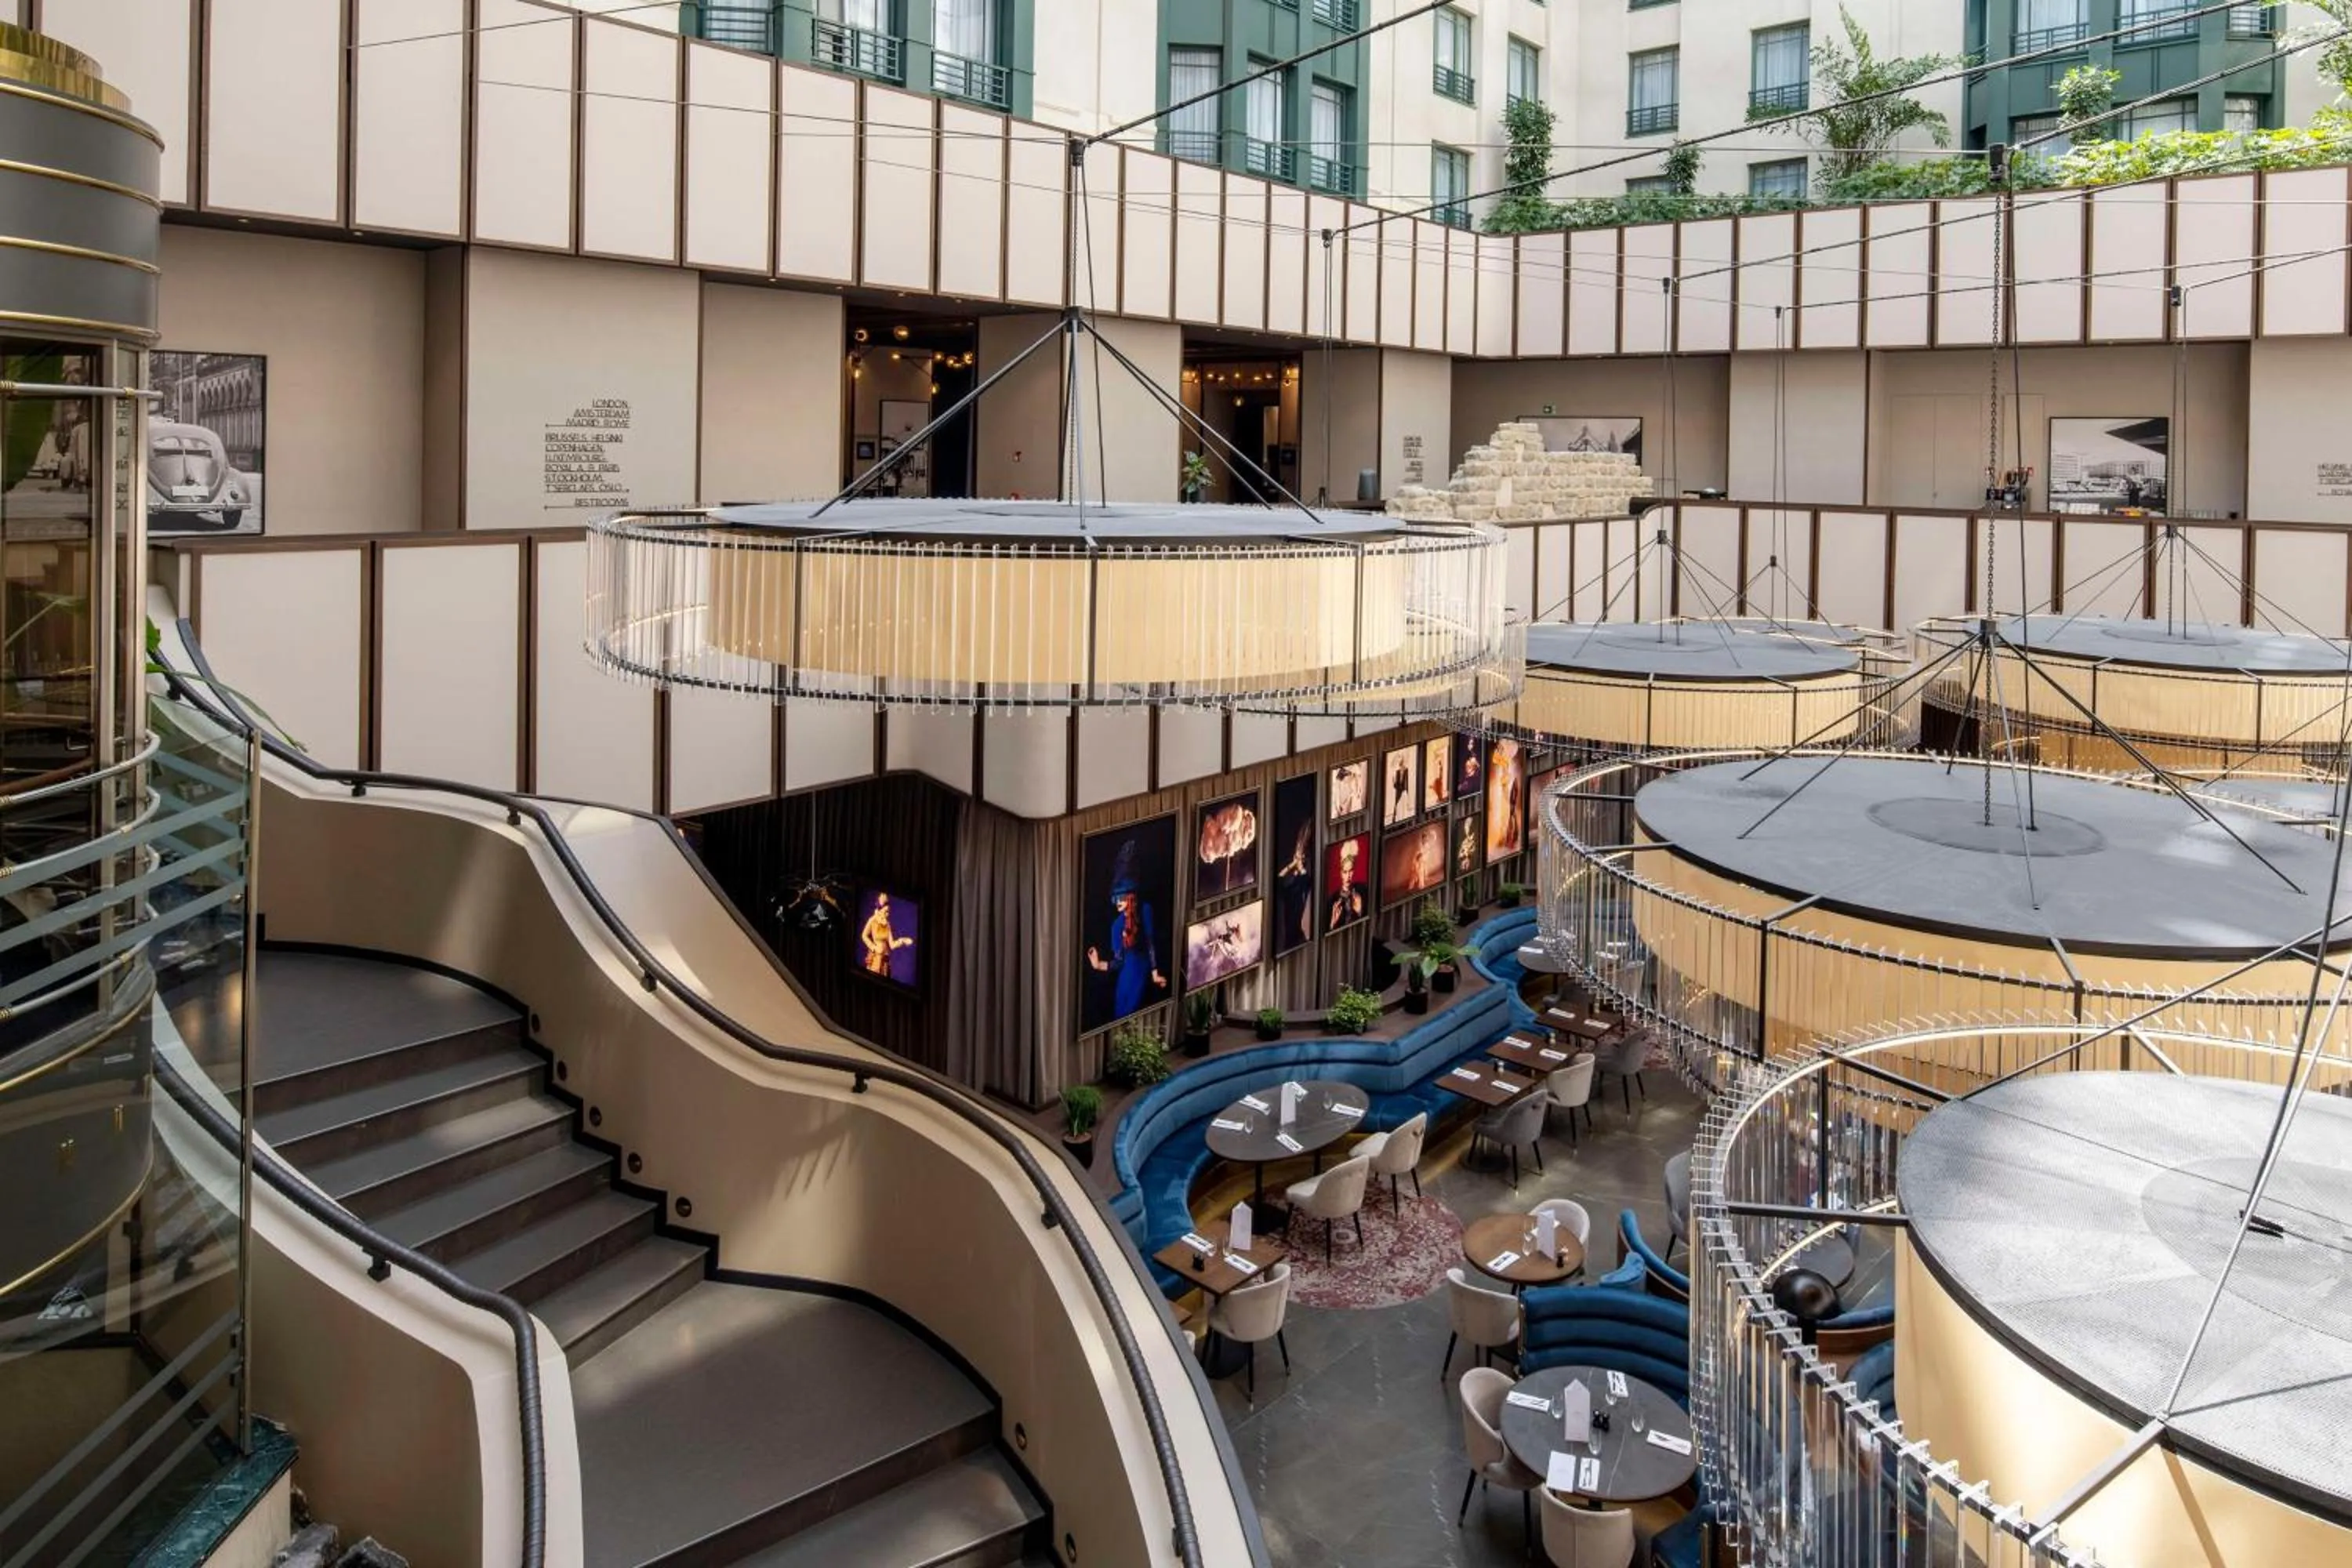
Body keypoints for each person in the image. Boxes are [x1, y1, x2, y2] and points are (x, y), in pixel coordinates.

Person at [1086, 840, 1166, 1023]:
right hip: (1127, 977)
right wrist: (1098, 965)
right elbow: (1118, 962)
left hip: (1142, 972)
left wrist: (1155, 974)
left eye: (1120, 897)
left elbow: (1150, 942)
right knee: (1122, 1011)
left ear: (1130, 896)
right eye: (1115, 898)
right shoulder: (1116, 926)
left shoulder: (1145, 910)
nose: (1117, 902)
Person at [1275, 820, 1315, 951]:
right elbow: (1279, 878)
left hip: (1298, 934)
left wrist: (1299, 865)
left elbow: (1306, 881)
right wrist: (1291, 865)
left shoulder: (1303, 883)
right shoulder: (1291, 887)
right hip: (1290, 936)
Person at [858, 891, 914, 978]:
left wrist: (903, 940)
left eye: (888, 912)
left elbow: (892, 945)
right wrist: (873, 947)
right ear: (880, 910)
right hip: (876, 959)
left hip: (885, 960)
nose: (887, 915)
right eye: (885, 912)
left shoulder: (887, 924)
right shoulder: (873, 920)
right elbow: (864, 935)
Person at [1325, 838, 1368, 931]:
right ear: (1340, 873)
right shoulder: (1332, 900)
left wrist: (1360, 912)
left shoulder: (1363, 890)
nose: (1348, 876)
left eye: (1351, 871)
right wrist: (1333, 923)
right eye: (1345, 872)